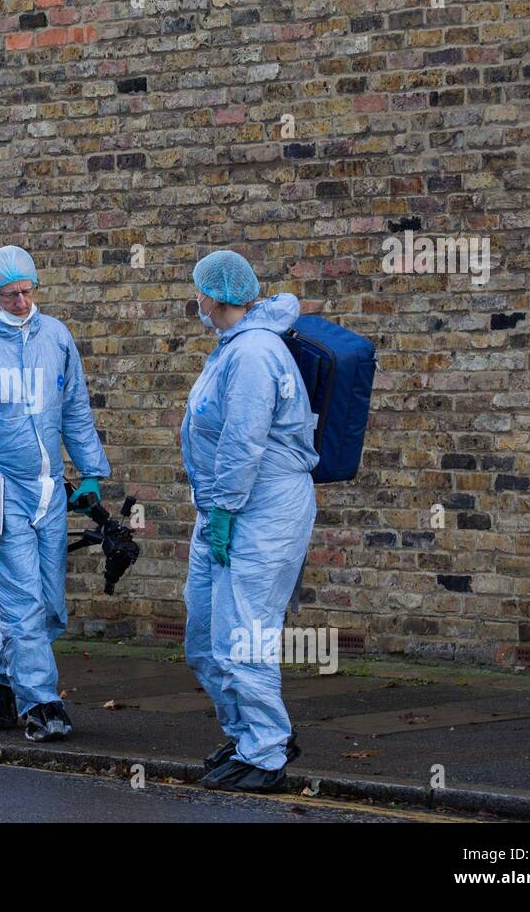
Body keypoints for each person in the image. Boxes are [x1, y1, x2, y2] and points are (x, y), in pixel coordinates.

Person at [0, 245, 110, 743]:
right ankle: (41, 704)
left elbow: (74, 408)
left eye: (28, 291)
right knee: (25, 603)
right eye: (10, 295)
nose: (21, 302)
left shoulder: (56, 338)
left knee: (51, 607)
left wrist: (90, 471)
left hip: (47, 493)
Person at [180, 249, 318, 793]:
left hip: (259, 508)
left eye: (199, 290)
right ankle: (245, 733)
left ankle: (265, 750)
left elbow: (243, 442)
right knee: (205, 632)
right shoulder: (233, 346)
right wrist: (217, 509)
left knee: (246, 634)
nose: (196, 299)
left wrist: (226, 510)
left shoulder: (255, 352)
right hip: (225, 506)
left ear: (215, 296)